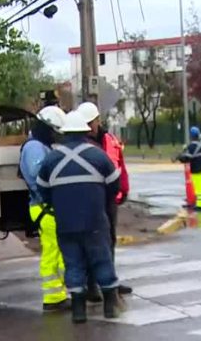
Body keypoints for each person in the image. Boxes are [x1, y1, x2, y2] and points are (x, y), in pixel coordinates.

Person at [36, 111, 121, 324]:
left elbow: (42, 190)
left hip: (65, 223)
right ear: (85, 132)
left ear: (64, 133)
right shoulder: (98, 155)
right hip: (95, 221)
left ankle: (78, 311)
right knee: (101, 260)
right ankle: (110, 307)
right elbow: (114, 186)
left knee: (73, 263)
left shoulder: (51, 159)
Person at [76, 102, 132, 300]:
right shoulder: (80, 144)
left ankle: (110, 282)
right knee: (93, 242)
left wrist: (124, 189)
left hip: (110, 198)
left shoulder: (110, 140)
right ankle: (92, 285)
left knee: (109, 240)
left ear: (98, 120)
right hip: (92, 200)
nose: (90, 126)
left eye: (92, 122)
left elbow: (120, 166)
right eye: (87, 123)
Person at [19, 105, 69, 312]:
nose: (56, 136)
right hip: (44, 207)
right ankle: (54, 297)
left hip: (45, 207)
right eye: (54, 132)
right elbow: (40, 175)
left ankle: (59, 294)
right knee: (53, 251)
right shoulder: (35, 148)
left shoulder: (40, 146)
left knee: (57, 250)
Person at [177, 126, 201, 211]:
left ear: (191, 136)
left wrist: (180, 157)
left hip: (196, 170)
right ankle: (200, 203)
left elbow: (186, 158)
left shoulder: (191, 146)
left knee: (199, 190)